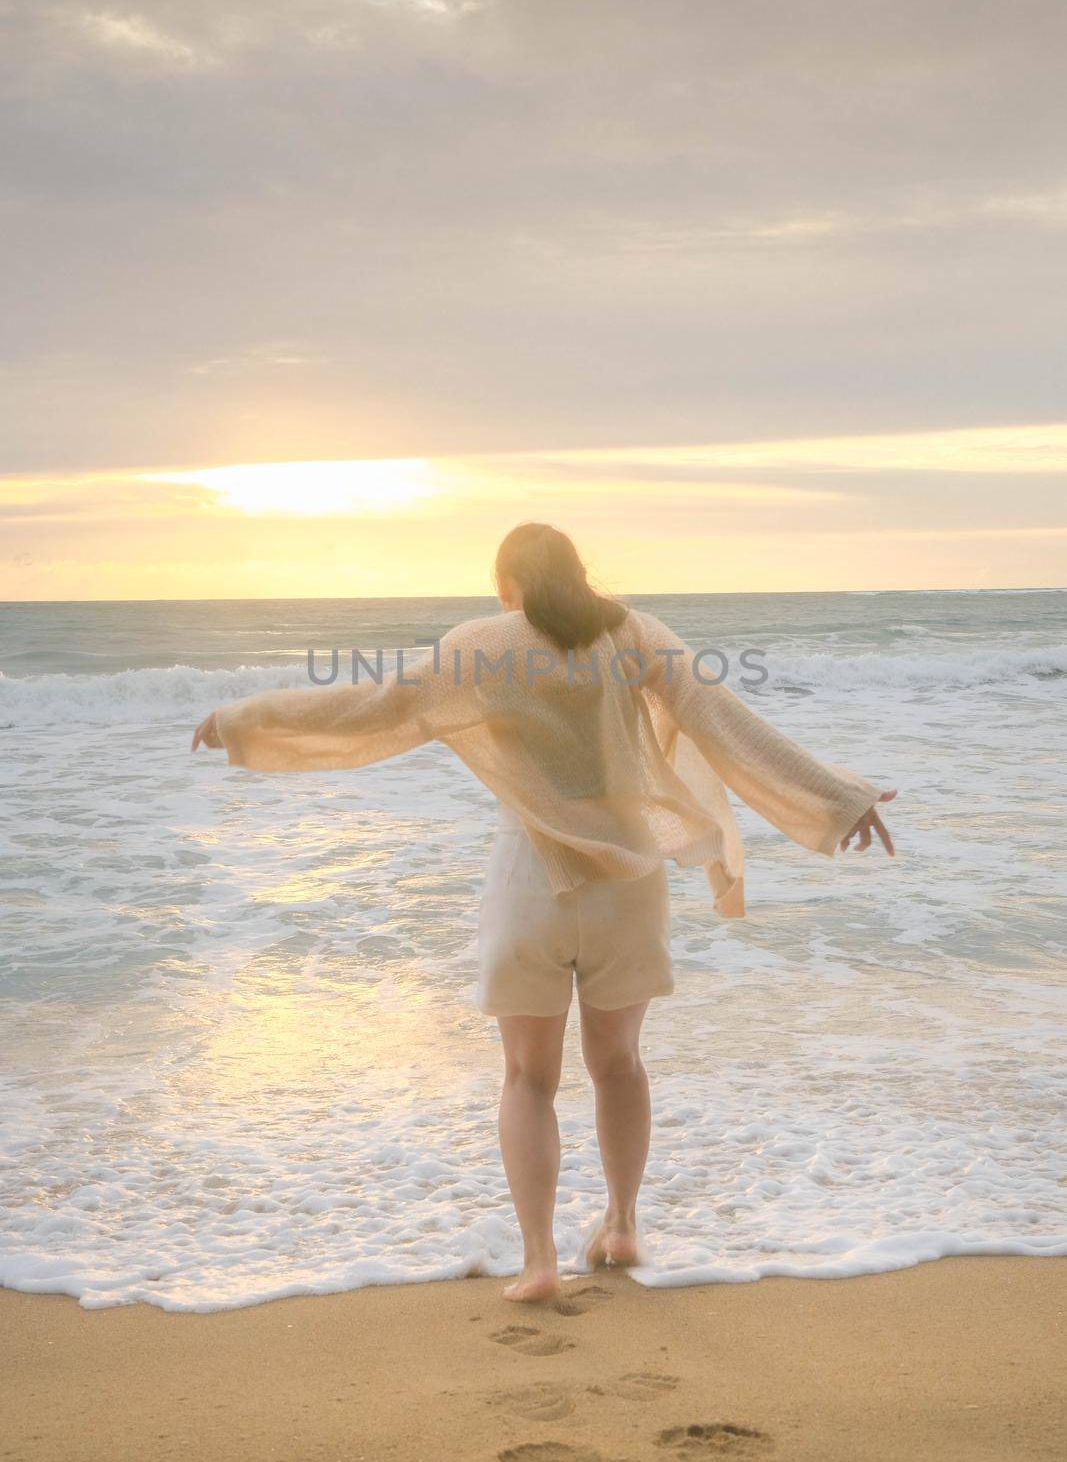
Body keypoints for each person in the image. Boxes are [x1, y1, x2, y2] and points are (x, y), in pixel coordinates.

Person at [191, 522, 896, 1302]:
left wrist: (246, 719)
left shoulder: (479, 646)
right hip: (629, 883)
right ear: (574, 573)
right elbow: (725, 723)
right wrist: (836, 798)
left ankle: (537, 1263)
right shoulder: (632, 634)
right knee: (619, 1065)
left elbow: (371, 707)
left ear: (507, 584)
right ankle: (622, 1224)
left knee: (528, 1078)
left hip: (530, 883)